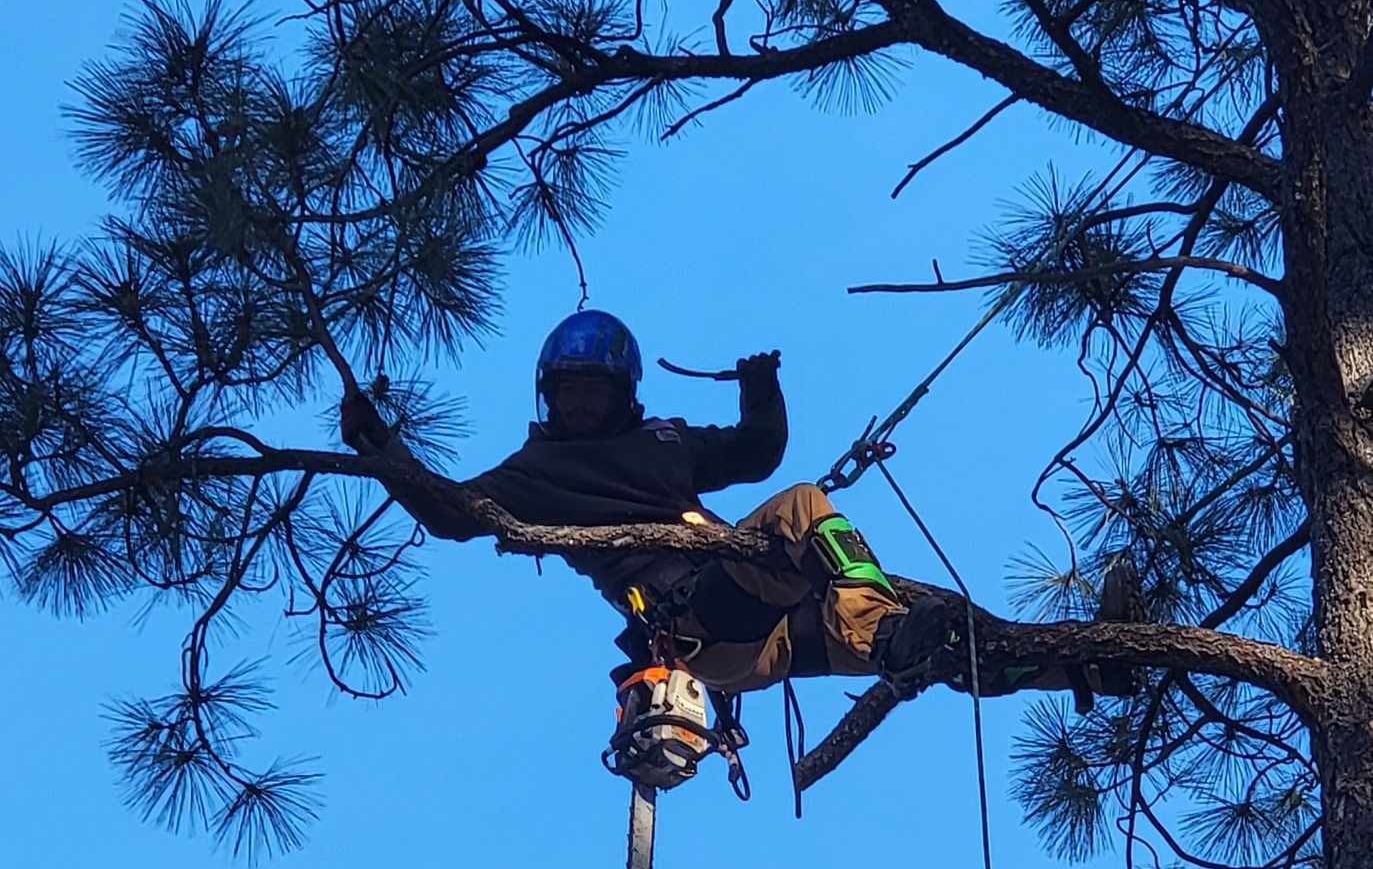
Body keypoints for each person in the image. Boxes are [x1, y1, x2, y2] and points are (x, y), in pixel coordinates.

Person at [339, 309, 1117, 703]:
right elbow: (451, 513)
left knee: (945, 627)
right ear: (547, 395)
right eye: (566, 393)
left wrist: (759, 387)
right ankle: (886, 631)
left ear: (621, 391)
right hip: (693, 622)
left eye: (591, 391)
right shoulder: (534, 471)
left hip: (760, 624)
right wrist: (387, 459)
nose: (577, 406)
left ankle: (1089, 666)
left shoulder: (664, 443)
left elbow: (754, 451)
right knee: (802, 507)